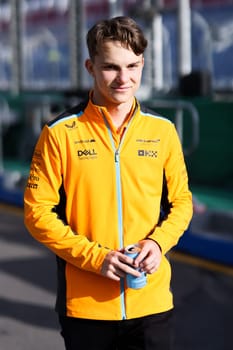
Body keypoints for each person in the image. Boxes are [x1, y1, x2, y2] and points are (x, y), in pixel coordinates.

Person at [24, 16, 193, 350]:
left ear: (143, 63)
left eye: (132, 66)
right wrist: (95, 258)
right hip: (86, 309)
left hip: (152, 303)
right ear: (90, 66)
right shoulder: (59, 133)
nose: (124, 79)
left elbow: (181, 202)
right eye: (110, 67)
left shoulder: (163, 131)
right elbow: (37, 213)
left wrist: (158, 244)